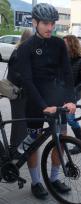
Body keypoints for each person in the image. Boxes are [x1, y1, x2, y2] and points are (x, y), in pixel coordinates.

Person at [14, 3, 76, 200]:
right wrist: (43, 106)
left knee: (60, 139)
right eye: (45, 24)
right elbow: (27, 81)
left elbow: (67, 74)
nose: (50, 27)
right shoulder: (26, 48)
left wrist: (71, 99)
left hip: (57, 101)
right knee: (33, 143)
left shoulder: (59, 44)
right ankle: (36, 182)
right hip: (35, 102)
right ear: (35, 23)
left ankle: (54, 179)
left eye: (52, 23)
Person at [7, 29, 32, 157]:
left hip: (19, 93)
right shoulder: (20, 52)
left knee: (20, 122)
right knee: (19, 122)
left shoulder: (19, 51)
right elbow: (16, 75)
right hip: (18, 93)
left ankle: (16, 148)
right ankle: (14, 150)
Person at [63, 34, 81, 154]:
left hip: (72, 95)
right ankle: (59, 143)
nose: (63, 45)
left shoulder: (80, 59)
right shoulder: (62, 57)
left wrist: (72, 92)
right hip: (60, 94)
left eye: (65, 43)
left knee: (70, 119)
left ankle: (80, 144)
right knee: (60, 119)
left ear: (71, 44)